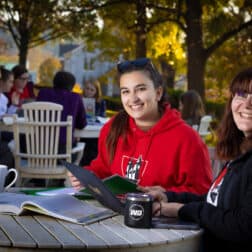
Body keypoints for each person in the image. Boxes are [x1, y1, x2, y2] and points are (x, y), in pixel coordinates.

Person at [140, 67, 252, 251]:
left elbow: (243, 226)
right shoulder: (241, 153)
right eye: (241, 94)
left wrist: (180, 210)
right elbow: (214, 202)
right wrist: (168, 196)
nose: (247, 104)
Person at [69, 57, 212, 194]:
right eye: (126, 91)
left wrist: (167, 194)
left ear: (158, 93)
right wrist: (86, 176)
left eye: (141, 89)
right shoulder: (113, 128)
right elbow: (103, 168)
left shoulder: (187, 139)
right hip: (113, 214)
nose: (133, 98)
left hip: (161, 216)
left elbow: (202, 191)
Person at [36, 70, 87, 152]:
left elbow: (35, 117)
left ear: (54, 82)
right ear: (72, 86)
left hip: (39, 149)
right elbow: (82, 124)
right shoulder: (75, 98)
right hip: (63, 153)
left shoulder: (43, 93)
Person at [81, 79, 107, 165]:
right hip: (83, 128)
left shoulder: (101, 102)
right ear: (84, 89)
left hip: (95, 129)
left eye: (92, 90)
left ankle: (92, 165)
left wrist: (95, 116)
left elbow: (102, 116)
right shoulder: (79, 100)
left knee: (94, 144)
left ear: (96, 92)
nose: (89, 91)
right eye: (87, 88)